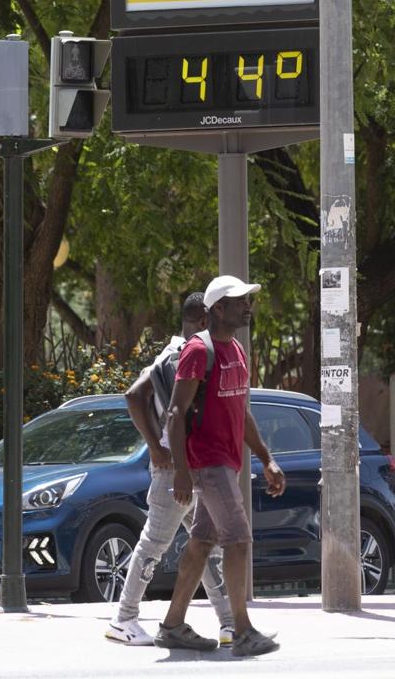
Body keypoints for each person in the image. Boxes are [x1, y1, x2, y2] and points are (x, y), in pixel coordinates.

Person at [155, 275, 285, 658]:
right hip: (207, 462)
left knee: (201, 542)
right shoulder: (199, 350)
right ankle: (242, 630)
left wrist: (266, 457)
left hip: (228, 463)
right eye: (239, 300)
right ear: (217, 309)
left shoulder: (238, 351)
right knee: (239, 539)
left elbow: (241, 413)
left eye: (249, 300)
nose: (248, 306)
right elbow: (176, 413)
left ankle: (173, 625)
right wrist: (180, 469)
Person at [104, 293, 235, 647]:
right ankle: (124, 618)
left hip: (190, 464)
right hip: (180, 467)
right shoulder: (183, 354)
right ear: (203, 320)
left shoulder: (173, 352)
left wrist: (156, 445)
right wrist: (157, 447)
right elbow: (136, 397)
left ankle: (229, 623)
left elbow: (136, 396)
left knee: (205, 543)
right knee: (155, 543)